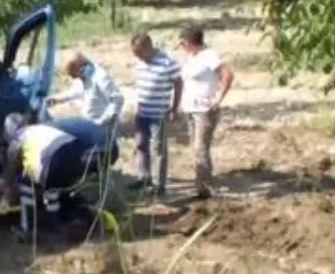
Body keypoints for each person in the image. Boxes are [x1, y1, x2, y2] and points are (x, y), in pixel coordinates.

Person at [2, 113, 109, 237]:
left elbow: (12, 172)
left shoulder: (18, 138)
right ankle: (56, 225)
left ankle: (26, 230)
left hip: (52, 160)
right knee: (52, 188)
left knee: (26, 184)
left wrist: (6, 193)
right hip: (76, 156)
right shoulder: (41, 128)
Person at [176, 24, 235, 200]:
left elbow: (227, 74)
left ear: (189, 42)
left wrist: (218, 98)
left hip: (204, 109)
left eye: (182, 43)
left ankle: (208, 189)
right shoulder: (190, 57)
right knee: (196, 149)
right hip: (190, 109)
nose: (180, 46)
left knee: (200, 148)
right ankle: (200, 187)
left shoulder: (209, 56)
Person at [128, 31, 182, 196]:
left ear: (148, 47)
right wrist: (137, 105)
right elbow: (140, 85)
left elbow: (179, 83)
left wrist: (174, 108)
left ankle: (160, 185)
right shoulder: (140, 62)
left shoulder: (167, 61)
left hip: (159, 114)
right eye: (135, 54)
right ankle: (143, 177)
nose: (137, 57)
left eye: (139, 53)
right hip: (142, 111)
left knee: (159, 149)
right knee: (140, 146)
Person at [46, 52, 125, 141]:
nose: (76, 78)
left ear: (82, 68)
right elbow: (77, 91)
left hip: (103, 130)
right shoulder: (84, 77)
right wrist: (58, 99)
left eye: (75, 75)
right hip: (91, 127)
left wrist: (102, 121)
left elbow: (117, 99)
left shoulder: (100, 76)